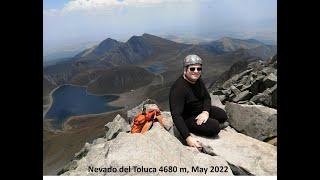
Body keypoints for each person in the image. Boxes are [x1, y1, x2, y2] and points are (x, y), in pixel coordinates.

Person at [169, 54, 229, 150]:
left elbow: (206, 98)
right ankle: (206, 125)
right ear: (185, 69)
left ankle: (208, 121)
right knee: (214, 127)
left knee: (222, 115)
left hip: (200, 110)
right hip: (188, 118)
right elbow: (176, 115)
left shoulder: (198, 80)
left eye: (199, 69)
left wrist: (205, 112)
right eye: (192, 69)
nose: (196, 72)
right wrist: (187, 138)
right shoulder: (178, 88)